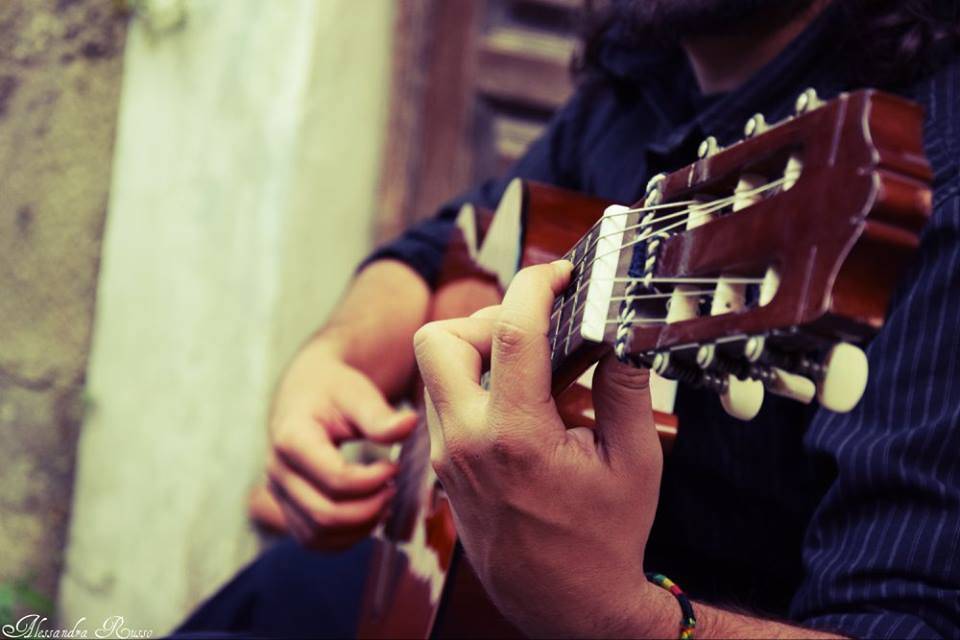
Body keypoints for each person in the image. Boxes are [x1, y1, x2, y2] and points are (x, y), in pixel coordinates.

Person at [177, 0, 960, 637]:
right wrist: (331, 363)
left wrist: (621, 618)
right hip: (433, 576)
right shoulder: (649, 52)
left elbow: (904, 622)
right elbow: (455, 238)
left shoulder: (931, 172)